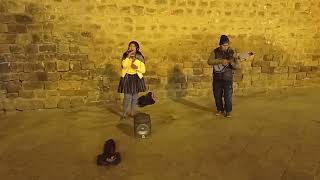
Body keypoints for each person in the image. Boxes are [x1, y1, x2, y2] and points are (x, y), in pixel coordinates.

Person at [207, 35, 239, 118]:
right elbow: (209, 61)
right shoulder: (215, 51)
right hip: (217, 77)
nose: (226, 46)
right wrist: (221, 61)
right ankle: (220, 109)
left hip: (227, 78)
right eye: (224, 45)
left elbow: (236, 66)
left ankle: (228, 111)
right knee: (217, 95)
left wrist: (231, 63)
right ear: (220, 45)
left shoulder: (232, 52)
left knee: (228, 95)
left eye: (227, 45)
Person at [118, 41, 147, 120]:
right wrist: (128, 57)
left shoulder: (140, 57)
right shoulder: (125, 55)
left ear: (137, 48)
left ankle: (133, 112)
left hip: (136, 78)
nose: (131, 47)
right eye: (130, 46)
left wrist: (136, 66)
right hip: (127, 78)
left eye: (133, 46)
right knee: (127, 97)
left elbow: (143, 70)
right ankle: (124, 113)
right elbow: (124, 66)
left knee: (135, 96)